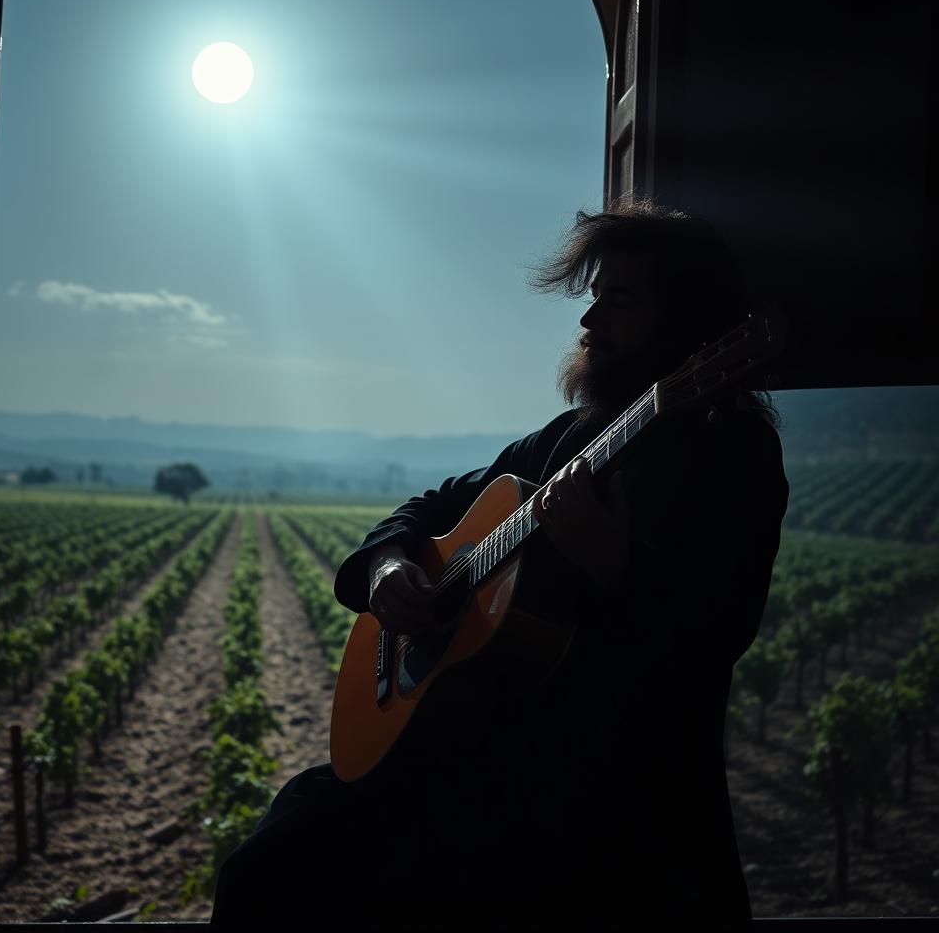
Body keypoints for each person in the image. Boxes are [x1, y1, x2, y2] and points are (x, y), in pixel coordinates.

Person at [210, 197, 789, 930]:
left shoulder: (731, 455)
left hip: (608, 810)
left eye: (620, 300)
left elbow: (717, 634)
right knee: (271, 860)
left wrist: (612, 562)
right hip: (471, 764)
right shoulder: (567, 437)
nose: (588, 321)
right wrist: (388, 569)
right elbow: (427, 509)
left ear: (686, 325)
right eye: (593, 298)